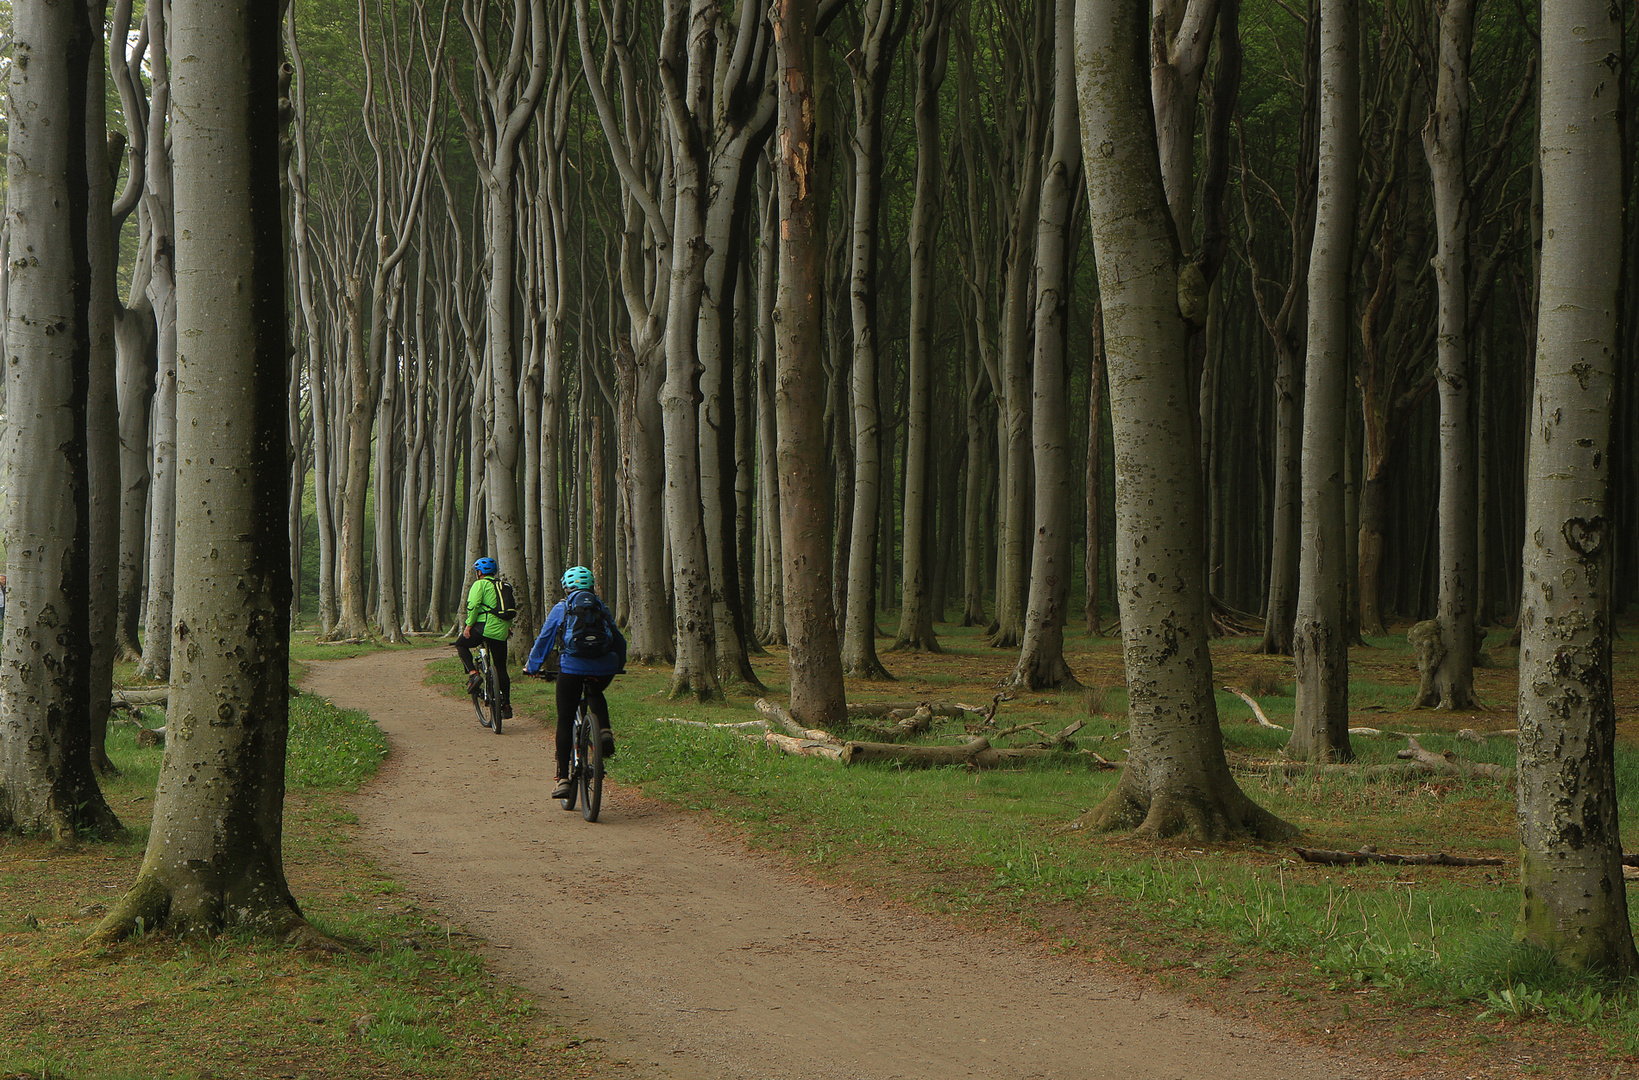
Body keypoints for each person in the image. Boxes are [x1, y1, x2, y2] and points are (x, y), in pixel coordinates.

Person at [525, 566, 626, 800]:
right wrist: (617, 664)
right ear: (591, 586)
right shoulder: (600, 607)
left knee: (565, 718)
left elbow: (544, 640)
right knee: (594, 689)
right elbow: (618, 640)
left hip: (571, 668)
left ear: (566, 587)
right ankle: (604, 731)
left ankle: (562, 778)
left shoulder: (562, 608)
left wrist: (532, 667)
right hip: (604, 667)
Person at [456, 557, 513, 722]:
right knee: (501, 667)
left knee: (461, 644)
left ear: (479, 572)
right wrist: (507, 627)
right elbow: (509, 609)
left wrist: (468, 625)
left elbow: (473, 605)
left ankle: (474, 674)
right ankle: (507, 705)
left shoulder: (480, 584)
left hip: (483, 628)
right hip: (501, 631)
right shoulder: (503, 586)